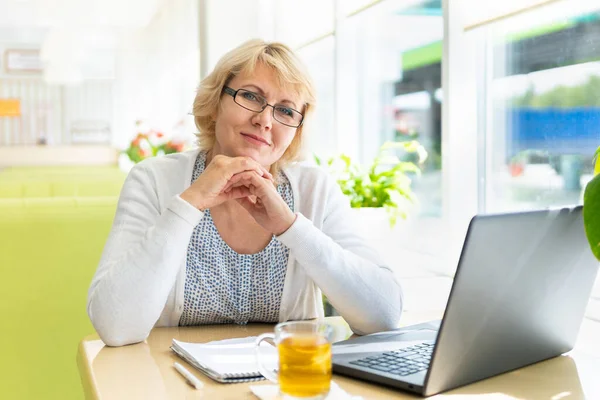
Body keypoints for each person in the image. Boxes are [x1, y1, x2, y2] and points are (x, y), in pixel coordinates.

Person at [87, 39, 403, 347]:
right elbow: (116, 327)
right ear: (214, 104)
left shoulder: (315, 188)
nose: (264, 120)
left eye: (286, 111)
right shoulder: (154, 179)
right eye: (251, 96)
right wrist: (190, 203)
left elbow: (383, 315)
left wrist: (290, 227)